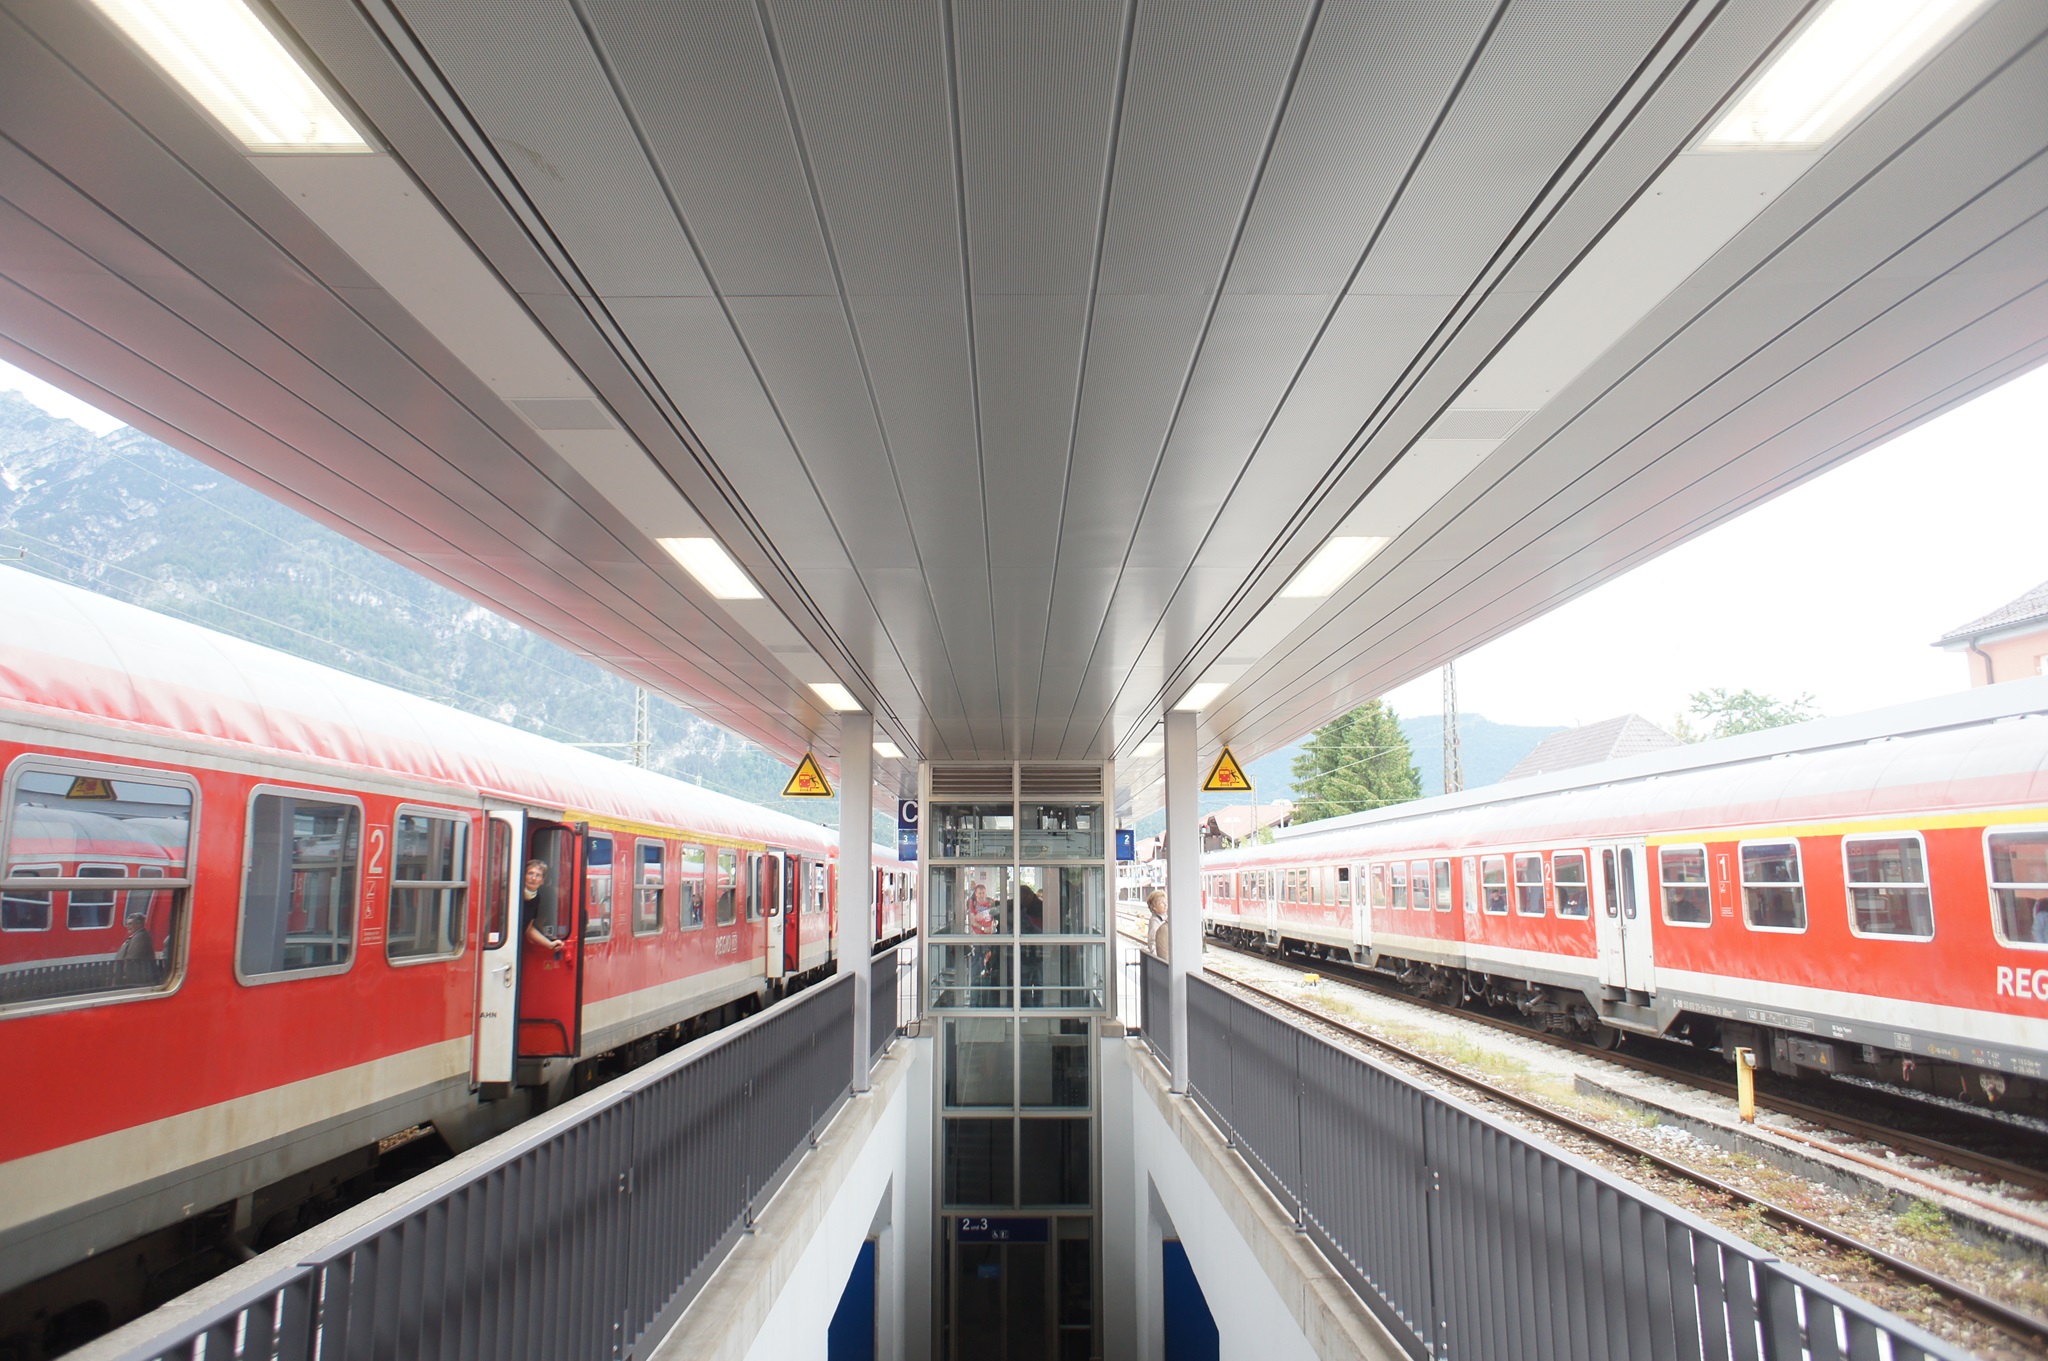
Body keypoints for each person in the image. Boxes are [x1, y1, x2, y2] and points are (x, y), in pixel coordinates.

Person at [522, 858, 567, 957]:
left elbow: (528, 929)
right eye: (530, 873)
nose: (533, 878)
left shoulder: (536, 898)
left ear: (542, 881)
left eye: (538, 875)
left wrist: (549, 944)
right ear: (523, 876)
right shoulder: (513, 892)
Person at [1147, 889, 1169, 963]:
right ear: (1154, 907)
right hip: (1161, 957)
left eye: (1166, 902)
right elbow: (1152, 941)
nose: (1165, 905)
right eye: (1161, 903)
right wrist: (1156, 959)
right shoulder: (1154, 921)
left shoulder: (1165, 918)